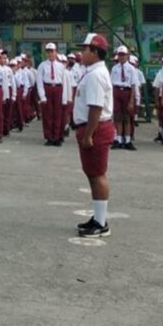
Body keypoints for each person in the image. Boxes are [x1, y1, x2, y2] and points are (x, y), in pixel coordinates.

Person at [73, 33, 115, 238]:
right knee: (92, 173)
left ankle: (101, 222)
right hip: (91, 127)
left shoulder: (96, 75)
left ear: (95, 52)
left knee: (97, 174)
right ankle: (98, 217)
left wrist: (88, 134)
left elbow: (96, 108)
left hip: (95, 129)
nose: (82, 53)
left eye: (85, 49)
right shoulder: (92, 72)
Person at [110, 45, 138, 150]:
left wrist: (131, 100)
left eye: (123, 55)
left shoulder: (131, 69)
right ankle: (118, 139)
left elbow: (133, 85)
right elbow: (112, 84)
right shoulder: (114, 68)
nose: (121, 57)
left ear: (127, 56)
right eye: (120, 55)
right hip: (117, 91)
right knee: (117, 117)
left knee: (126, 117)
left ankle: (127, 140)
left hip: (127, 92)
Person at [38, 43, 66, 147]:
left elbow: (64, 81)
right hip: (47, 88)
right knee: (48, 115)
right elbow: (39, 81)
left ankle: (57, 136)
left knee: (58, 114)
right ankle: (49, 137)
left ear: (56, 52)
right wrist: (42, 96)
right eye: (48, 52)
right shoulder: (42, 65)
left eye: (52, 51)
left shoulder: (61, 66)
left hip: (58, 88)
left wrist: (64, 97)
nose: (50, 54)